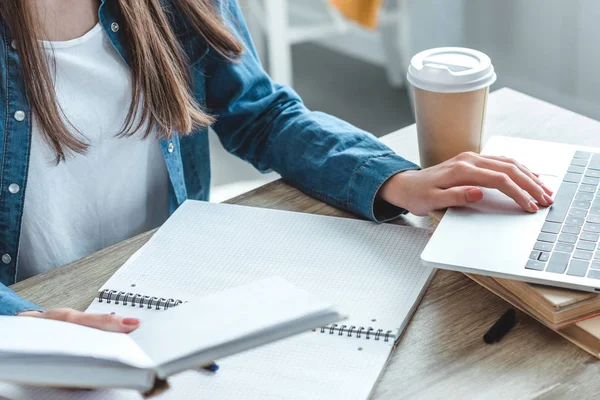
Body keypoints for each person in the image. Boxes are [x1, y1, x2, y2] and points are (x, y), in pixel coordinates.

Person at [1, 0, 553, 332]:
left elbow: (260, 115)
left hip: (166, 291)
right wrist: (22, 325)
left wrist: (393, 179)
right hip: (34, 317)